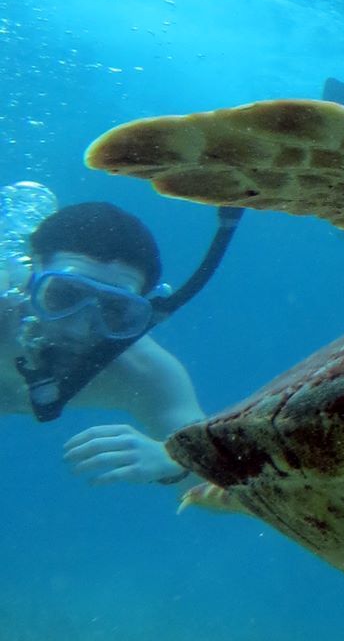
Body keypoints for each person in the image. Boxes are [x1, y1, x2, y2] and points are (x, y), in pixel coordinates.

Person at [2, 199, 212, 486]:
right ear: (29, 277)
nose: (78, 329)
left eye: (114, 310)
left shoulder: (143, 372)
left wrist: (174, 460)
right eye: (64, 295)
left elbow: (218, 471)